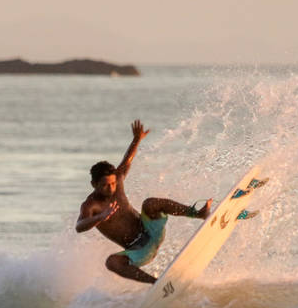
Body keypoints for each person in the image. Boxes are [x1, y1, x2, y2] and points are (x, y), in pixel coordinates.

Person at [76, 120, 211, 283]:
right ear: (93, 185)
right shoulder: (91, 205)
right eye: (104, 185)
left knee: (150, 203)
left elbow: (126, 162)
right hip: (138, 250)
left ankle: (198, 213)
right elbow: (79, 226)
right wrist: (99, 217)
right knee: (112, 262)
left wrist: (136, 139)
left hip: (150, 229)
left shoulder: (117, 182)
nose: (110, 188)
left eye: (112, 183)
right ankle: (156, 283)